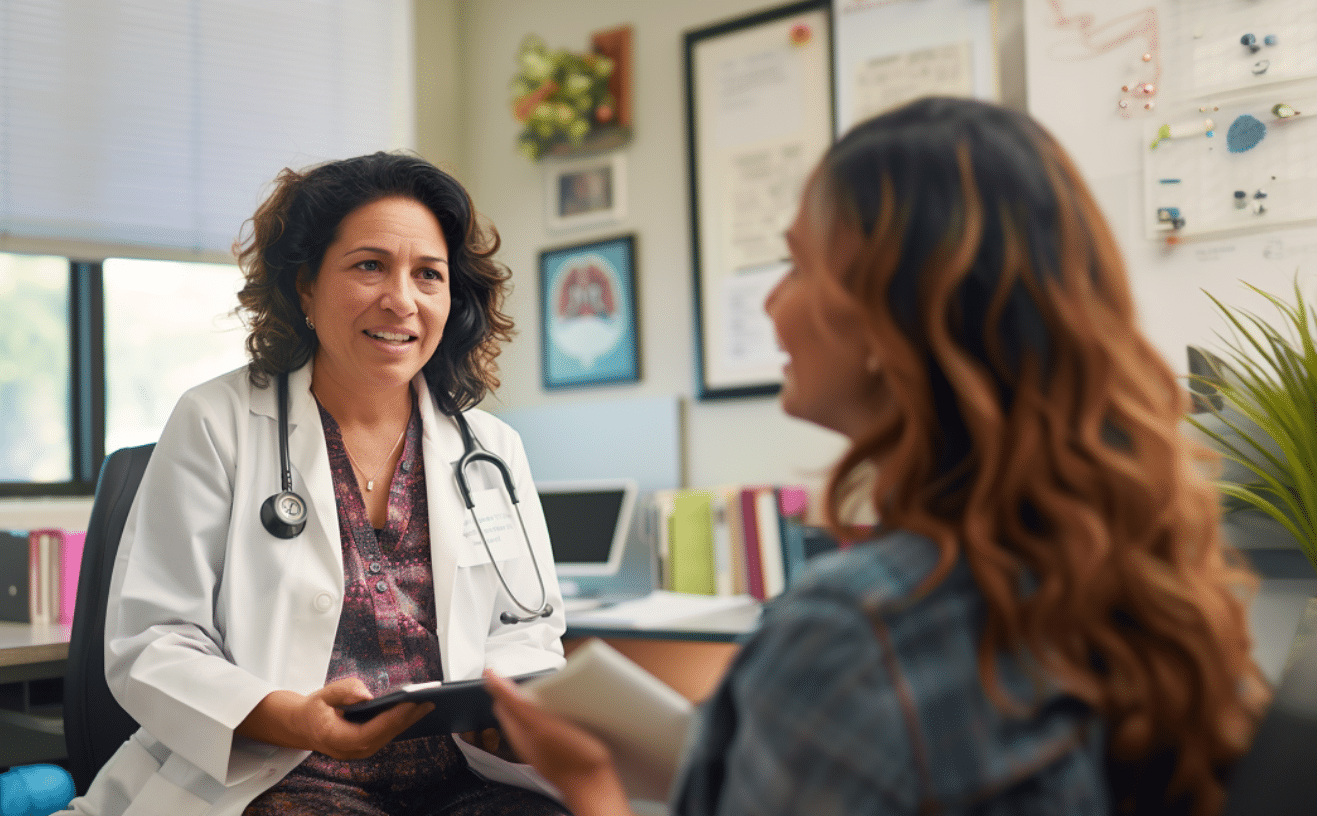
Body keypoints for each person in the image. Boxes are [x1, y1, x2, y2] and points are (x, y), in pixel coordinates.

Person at [487, 97, 1269, 816]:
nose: (768, 302)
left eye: (796, 265)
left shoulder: (855, 631)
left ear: (884, 315)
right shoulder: (1148, 571)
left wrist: (591, 783)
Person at [64, 152, 568, 816]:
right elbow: (154, 642)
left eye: (428, 275)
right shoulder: (217, 422)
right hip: (283, 768)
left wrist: (506, 706)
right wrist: (296, 718)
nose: (402, 299)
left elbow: (527, 626)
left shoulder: (491, 450)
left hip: (463, 774)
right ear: (304, 286)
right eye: (369, 265)